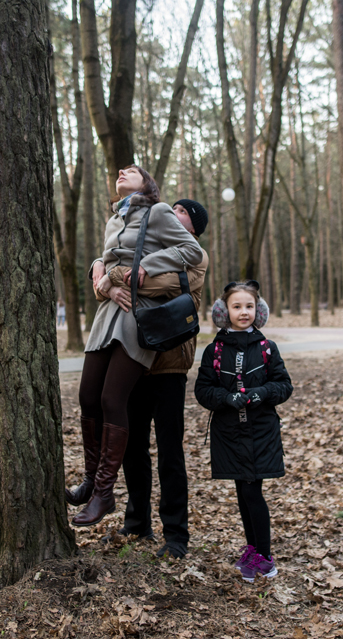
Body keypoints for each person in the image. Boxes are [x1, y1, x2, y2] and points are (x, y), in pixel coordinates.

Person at [68, 165, 203, 527]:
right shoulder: (115, 219)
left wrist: (148, 263)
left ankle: (103, 493)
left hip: (136, 318)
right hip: (108, 312)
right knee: (87, 396)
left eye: (133, 170)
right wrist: (107, 284)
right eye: (119, 171)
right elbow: (106, 266)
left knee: (113, 400)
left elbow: (193, 253)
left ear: (148, 183)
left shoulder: (157, 212)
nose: (121, 171)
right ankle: (91, 480)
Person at [98, 199, 210, 558]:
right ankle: (137, 523)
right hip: (135, 358)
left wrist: (112, 277)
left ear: (191, 229)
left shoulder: (196, 257)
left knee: (170, 452)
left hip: (170, 364)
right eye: (171, 209)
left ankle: (176, 535)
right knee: (133, 447)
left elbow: (161, 285)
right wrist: (102, 270)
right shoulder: (144, 246)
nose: (171, 213)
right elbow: (110, 262)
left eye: (182, 212)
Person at [194, 281, 293, 583]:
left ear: (258, 310)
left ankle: (265, 557)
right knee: (242, 492)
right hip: (229, 434)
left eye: (249, 306)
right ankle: (253, 549)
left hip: (260, 431)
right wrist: (226, 398)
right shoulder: (214, 350)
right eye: (237, 306)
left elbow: (284, 386)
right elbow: (202, 390)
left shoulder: (266, 348)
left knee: (252, 491)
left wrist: (260, 393)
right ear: (224, 311)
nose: (244, 312)